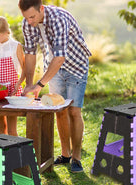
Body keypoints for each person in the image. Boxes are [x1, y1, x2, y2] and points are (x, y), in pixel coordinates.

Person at [18, 0, 91, 173]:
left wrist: (39, 85)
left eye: (32, 17)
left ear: (41, 9)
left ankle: (77, 158)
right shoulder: (28, 22)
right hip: (53, 69)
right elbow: (29, 53)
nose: (30, 21)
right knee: (59, 110)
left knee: (74, 111)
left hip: (76, 66)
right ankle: (65, 155)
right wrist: (29, 84)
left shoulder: (58, 19)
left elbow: (60, 58)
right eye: (26, 18)